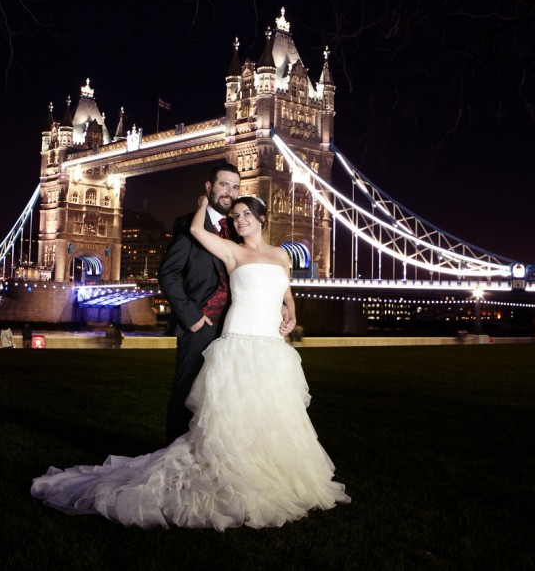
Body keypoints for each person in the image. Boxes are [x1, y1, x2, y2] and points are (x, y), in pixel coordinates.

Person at [31, 194, 349, 529]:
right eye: (235, 216)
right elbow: (197, 230)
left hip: (271, 339)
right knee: (233, 411)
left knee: (270, 408)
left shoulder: (282, 254)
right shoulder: (232, 251)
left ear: (262, 218)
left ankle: (269, 470)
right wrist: (202, 203)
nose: (239, 220)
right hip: (240, 336)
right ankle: (234, 470)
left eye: (245, 215)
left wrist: (291, 311)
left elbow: (286, 292)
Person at [157, 162, 247, 444]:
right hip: (200, 324)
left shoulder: (239, 228)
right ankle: (171, 457)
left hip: (234, 326)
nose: (229, 193)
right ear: (209, 187)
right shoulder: (188, 224)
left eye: (235, 187)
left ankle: (208, 454)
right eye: (224, 185)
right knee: (186, 393)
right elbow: (168, 274)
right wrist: (191, 316)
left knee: (224, 397)